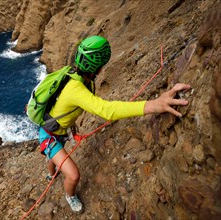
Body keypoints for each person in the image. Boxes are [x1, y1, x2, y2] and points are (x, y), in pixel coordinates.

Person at [38, 35, 191, 213]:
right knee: (73, 175)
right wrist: (153, 105)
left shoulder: (79, 79)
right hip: (49, 136)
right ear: (98, 66)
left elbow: (65, 106)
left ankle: (51, 173)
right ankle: (69, 195)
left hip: (58, 131)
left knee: (53, 156)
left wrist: (70, 126)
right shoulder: (78, 88)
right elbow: (106, 110)